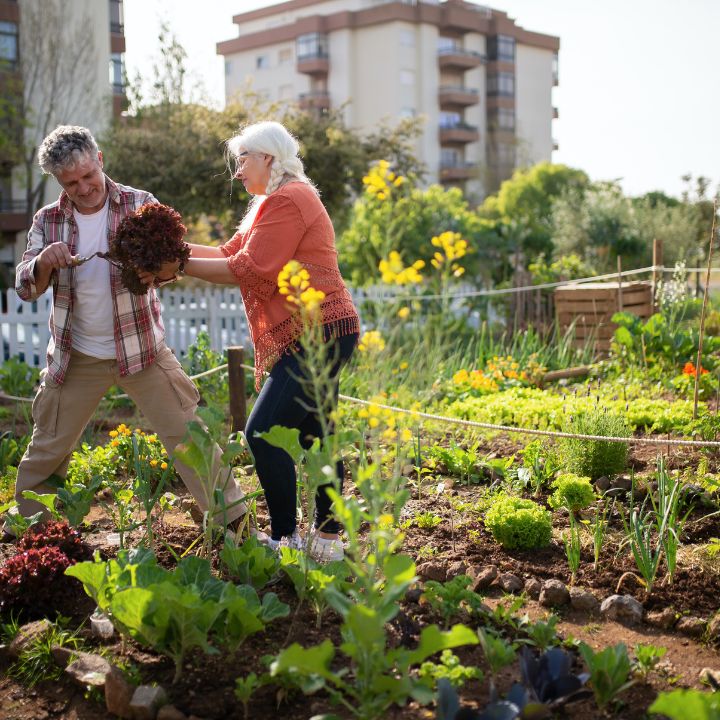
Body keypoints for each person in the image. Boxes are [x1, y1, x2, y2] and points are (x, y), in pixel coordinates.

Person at [8, 125, 245, 535]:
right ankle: (30, 536)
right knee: (47, 448)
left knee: (190, 436)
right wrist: (44, 261)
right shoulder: (47, 221)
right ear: (58, 182)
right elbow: (25, 286)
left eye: (88, 176)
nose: (83, 188)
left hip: (143, 353)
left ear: (99, 160)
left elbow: (171, 267)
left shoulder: (141, 204)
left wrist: (152, 268)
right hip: (76, 356)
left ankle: (235, 526)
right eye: (71, 183)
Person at [149, 121, 359, 562]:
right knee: (318, 435)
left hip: (317, 332)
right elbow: (230, 255)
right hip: (321, 329)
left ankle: (287, 538)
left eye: (242, 159)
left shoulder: (291, 198)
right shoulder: (273, 202)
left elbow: (252, 268)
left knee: (262, 433)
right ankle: (328, 541)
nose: (237, 170)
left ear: (268, 157)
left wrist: (177, 263)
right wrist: (171, 250)